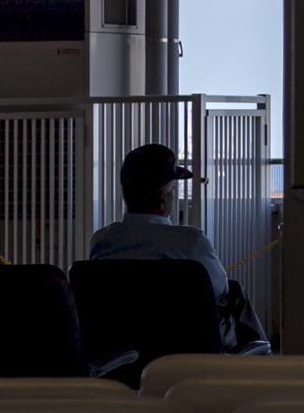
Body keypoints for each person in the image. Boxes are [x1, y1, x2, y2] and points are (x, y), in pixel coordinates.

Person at [88, 143, 271, 352]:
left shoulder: (101, 241)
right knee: (235, 293)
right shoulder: (191, 241)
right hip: (188, 346)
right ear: (163, 198)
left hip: (122, 347)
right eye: (173, 191)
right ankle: (259, 358)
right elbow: (220, 289)